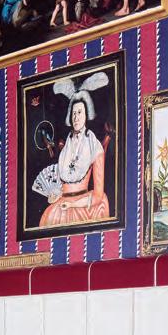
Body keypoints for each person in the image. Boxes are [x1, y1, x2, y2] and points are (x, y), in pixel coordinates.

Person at [33, 85, 110, 229]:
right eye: (73, 113)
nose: (76, 117)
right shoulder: (66, 146)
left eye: (80, 112)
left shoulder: (94, 147)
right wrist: (55, 196)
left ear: (87, 114)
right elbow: (59, 183)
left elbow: (98, 195)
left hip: (84, 205)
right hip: (62, 204)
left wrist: (72, 204)